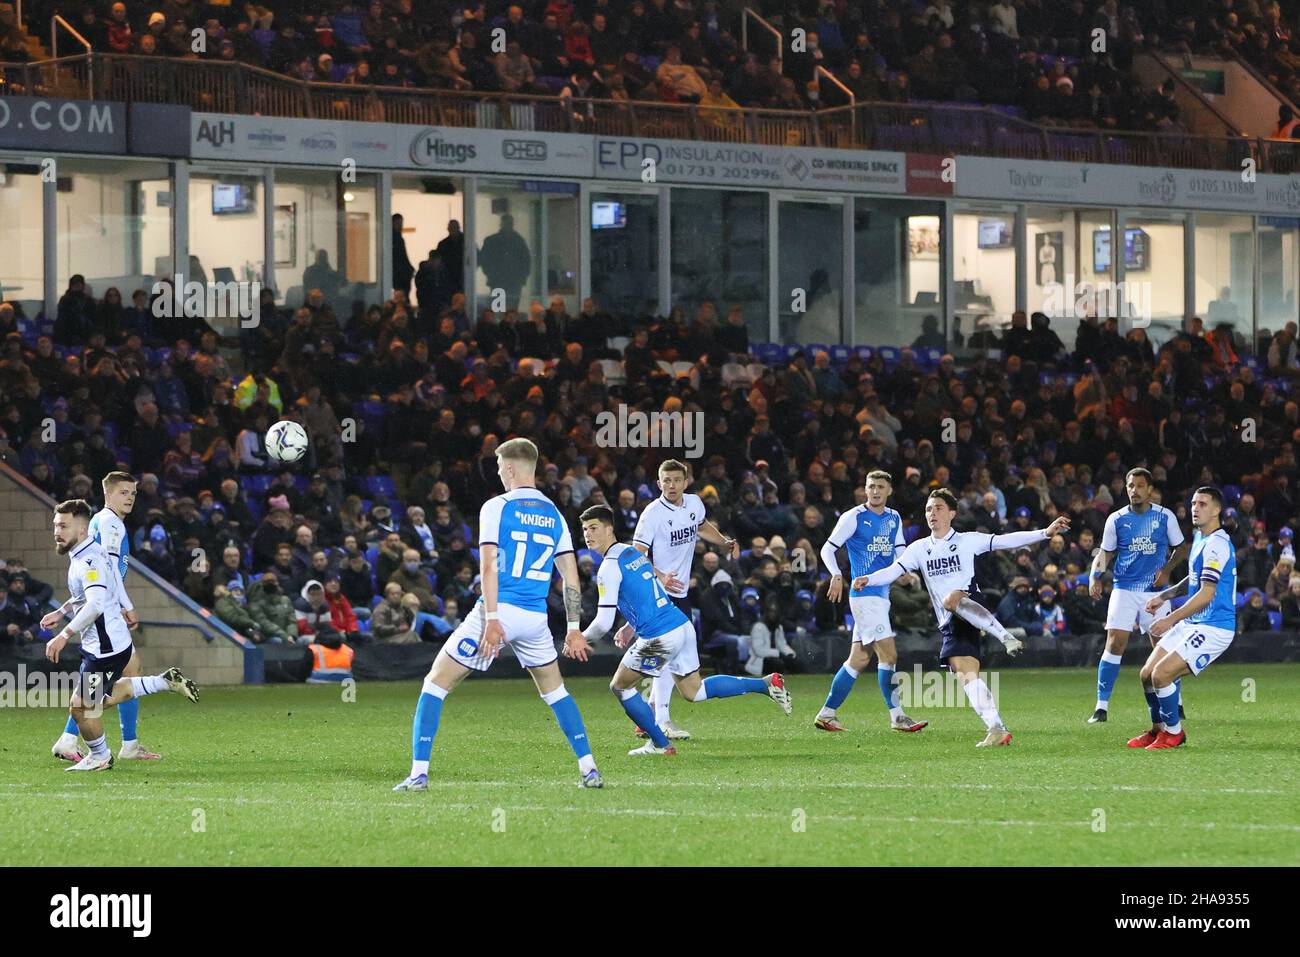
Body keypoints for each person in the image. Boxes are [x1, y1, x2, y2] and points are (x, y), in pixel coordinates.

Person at [392, 438, 603, 791]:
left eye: (499, 467)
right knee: (556, 693)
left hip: (499, 612)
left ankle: (418, 775)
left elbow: (488, 566)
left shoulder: (496, 507)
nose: (498, 474)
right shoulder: (555, 514)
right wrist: (572, 628)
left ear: (509, 468)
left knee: (435, 684)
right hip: (535, 619)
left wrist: (491, 620)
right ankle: (589, 768)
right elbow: (571, 576)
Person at [852, 489, 1070, 747]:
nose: (932, 513)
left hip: (971, 602)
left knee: (950, 598)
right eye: (928, 509)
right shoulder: (919, 549)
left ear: (952, 513)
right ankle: (996, 728)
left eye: (938, 508)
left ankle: (1005, 636)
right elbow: (891, 571)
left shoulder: (968, 540)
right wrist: (868, 579)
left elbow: (1005, 540)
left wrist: (1044, 533)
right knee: (965, 675)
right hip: (950, 622)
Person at [579, 505, 791, 756]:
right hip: (680, 625)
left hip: (660, 636)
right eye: (584, 530)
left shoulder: (608, 567)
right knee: (694, 691)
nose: (588, 534)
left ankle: (660, 744)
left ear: (609, 528)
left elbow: (603, 622)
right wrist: (629, 626)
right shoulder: (630, 552)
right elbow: (649, 590)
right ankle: (764, 684)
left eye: (593, 528)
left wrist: (578, 639)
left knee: (621, 686)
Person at [41, 499, 198, 772]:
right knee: (101, 698)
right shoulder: (88, 553)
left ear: (81, 529)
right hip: (109, 643)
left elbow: (96, 604)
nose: (57, 531)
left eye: (63, 526)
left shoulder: (88, 559)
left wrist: (63, 634)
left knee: (81, 709)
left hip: (104, 649)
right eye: (55, 525)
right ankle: (164, 682)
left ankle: (100, 755)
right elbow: (91, 592)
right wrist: (63, 610)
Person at [52, 472, 167, 763]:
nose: (130, 498)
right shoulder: (112, 524)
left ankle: (71, 739)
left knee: (113, 677)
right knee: (113, 680)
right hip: (106, 613)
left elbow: (100, 576)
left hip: (105, 608)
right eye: (124, 492)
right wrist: (123, 604)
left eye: (133, 493)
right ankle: (121, 745)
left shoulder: (99, 522)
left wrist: (65, 610)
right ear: (108, 494)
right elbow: (111, 571)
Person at [629, 459, 741, 740]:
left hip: (679, 594)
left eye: (676, 480)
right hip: (657, 593)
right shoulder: (652, 514)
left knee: (663, 655)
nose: (671, 485)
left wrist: (724, 541)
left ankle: (650, 715)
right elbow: (637, 553)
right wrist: (659, 575)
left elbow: (701, 527)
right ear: (658, 484)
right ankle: (660, 719)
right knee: (665, 655)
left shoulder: (693, 504)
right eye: (666, 481)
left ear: (685, 482)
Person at [816, 470, 927, 733]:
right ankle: (898, 717)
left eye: (880, 487)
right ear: (865, 490)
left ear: (889, 491)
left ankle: (827, 713)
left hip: (881, 595)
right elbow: (827, 548)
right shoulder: (853, 517)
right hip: (864, 596)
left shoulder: (894, 517)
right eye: (870, 487)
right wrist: (835, 574)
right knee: (889, 655)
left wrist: (903, 571)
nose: (875, 491)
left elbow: (899, 550)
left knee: (858, 660)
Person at [1129, 487, 1237, 750]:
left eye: (1202, 503)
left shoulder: (1217, 544)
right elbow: (1195, 580)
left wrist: (1171, 619)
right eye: (1193, 503)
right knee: (1147, 674)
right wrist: (1164, 596)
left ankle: (1174, 733)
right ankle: (1158, 730)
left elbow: (1207, 593)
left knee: (1162, 675)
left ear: (1217, 510)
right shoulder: (1201, 538)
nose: (1195, 508)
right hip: (1195, 623)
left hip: (1214, 627)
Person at [1086, 468, 1188, 724]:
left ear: (1150, 490)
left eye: (1140, 485)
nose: (1135, 490)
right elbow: (1105, 553)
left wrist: (1166, 571)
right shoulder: (1116, 519)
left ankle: (1176, 701)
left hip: (1155, 593)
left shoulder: (1165, 517)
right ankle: (1101, 707)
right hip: (1124, 588)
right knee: (1114, 643)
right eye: (1131, 486)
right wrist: (1094, 576)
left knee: (1163, 647)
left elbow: (1181, 548)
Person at [478, 214, 531, 311]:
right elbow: (526, 262)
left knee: (505, 310)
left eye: (509, 223)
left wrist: (491, 274)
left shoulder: (494, 240)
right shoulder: (518, 241)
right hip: (504, 281)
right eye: (507, 223)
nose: (508, 225)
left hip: (505, 281)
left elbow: (526, 262)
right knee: (502, 309)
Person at [392, 213, 414, 299]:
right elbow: (400, 257)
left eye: (401, 223)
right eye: (397, 223)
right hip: (399, 274)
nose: (400, 226)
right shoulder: (395, 238)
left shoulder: (397, 238)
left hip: (401, 273)